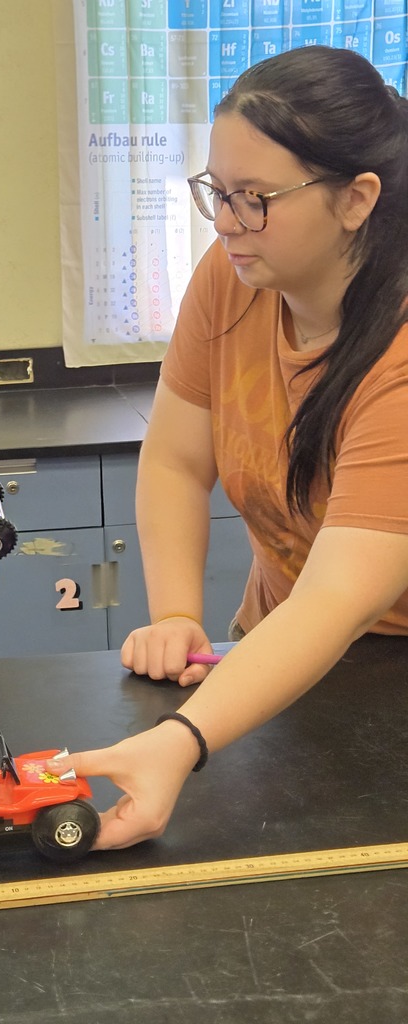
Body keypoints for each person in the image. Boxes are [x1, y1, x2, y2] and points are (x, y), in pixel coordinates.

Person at [48, 45, 408, 849]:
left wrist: (178, 744)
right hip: (277, 653)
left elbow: (336, 600)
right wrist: (178, 612)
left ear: (357, 199)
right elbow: (177, 460)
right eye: (218, 192)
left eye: (256, 198)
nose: (226, 223)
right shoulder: (235, 275)